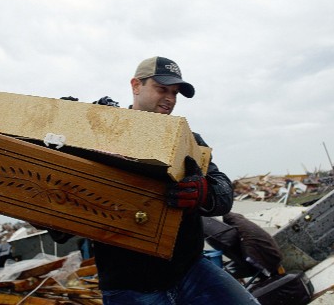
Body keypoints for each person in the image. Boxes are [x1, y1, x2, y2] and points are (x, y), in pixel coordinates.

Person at [94, 56, 258, 305]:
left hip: (190, 272)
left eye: (175, 92)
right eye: (162, 89)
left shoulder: (189, 142)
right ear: (136, 85)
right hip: (129, 286)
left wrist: (204, 193)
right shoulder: (99, 134)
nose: (170, 99)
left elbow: (224, 193)